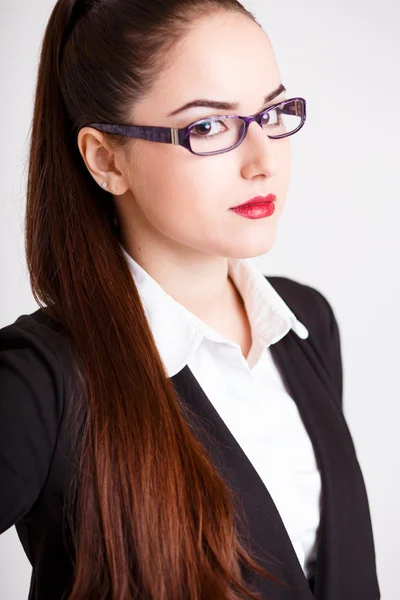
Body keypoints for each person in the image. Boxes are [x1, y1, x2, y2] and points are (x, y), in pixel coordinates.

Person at [0, 0, 380, 599]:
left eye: (273, 111)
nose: (263, 162)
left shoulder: (304, 323)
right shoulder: (41, 378)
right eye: (208, 126)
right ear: (106, 160)